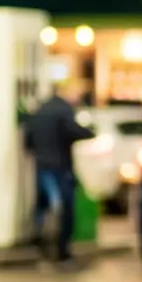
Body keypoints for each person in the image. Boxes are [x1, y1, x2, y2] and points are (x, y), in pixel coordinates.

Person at [23, 79, 94, 266]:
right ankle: (61, 249)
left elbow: (28, 140)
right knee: (63, 206)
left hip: (42, 164)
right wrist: (90, 132)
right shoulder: (63, 110)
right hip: (60, 166)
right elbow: (74, 131)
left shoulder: (40, 110)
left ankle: (39, 242)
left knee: (44, 204)